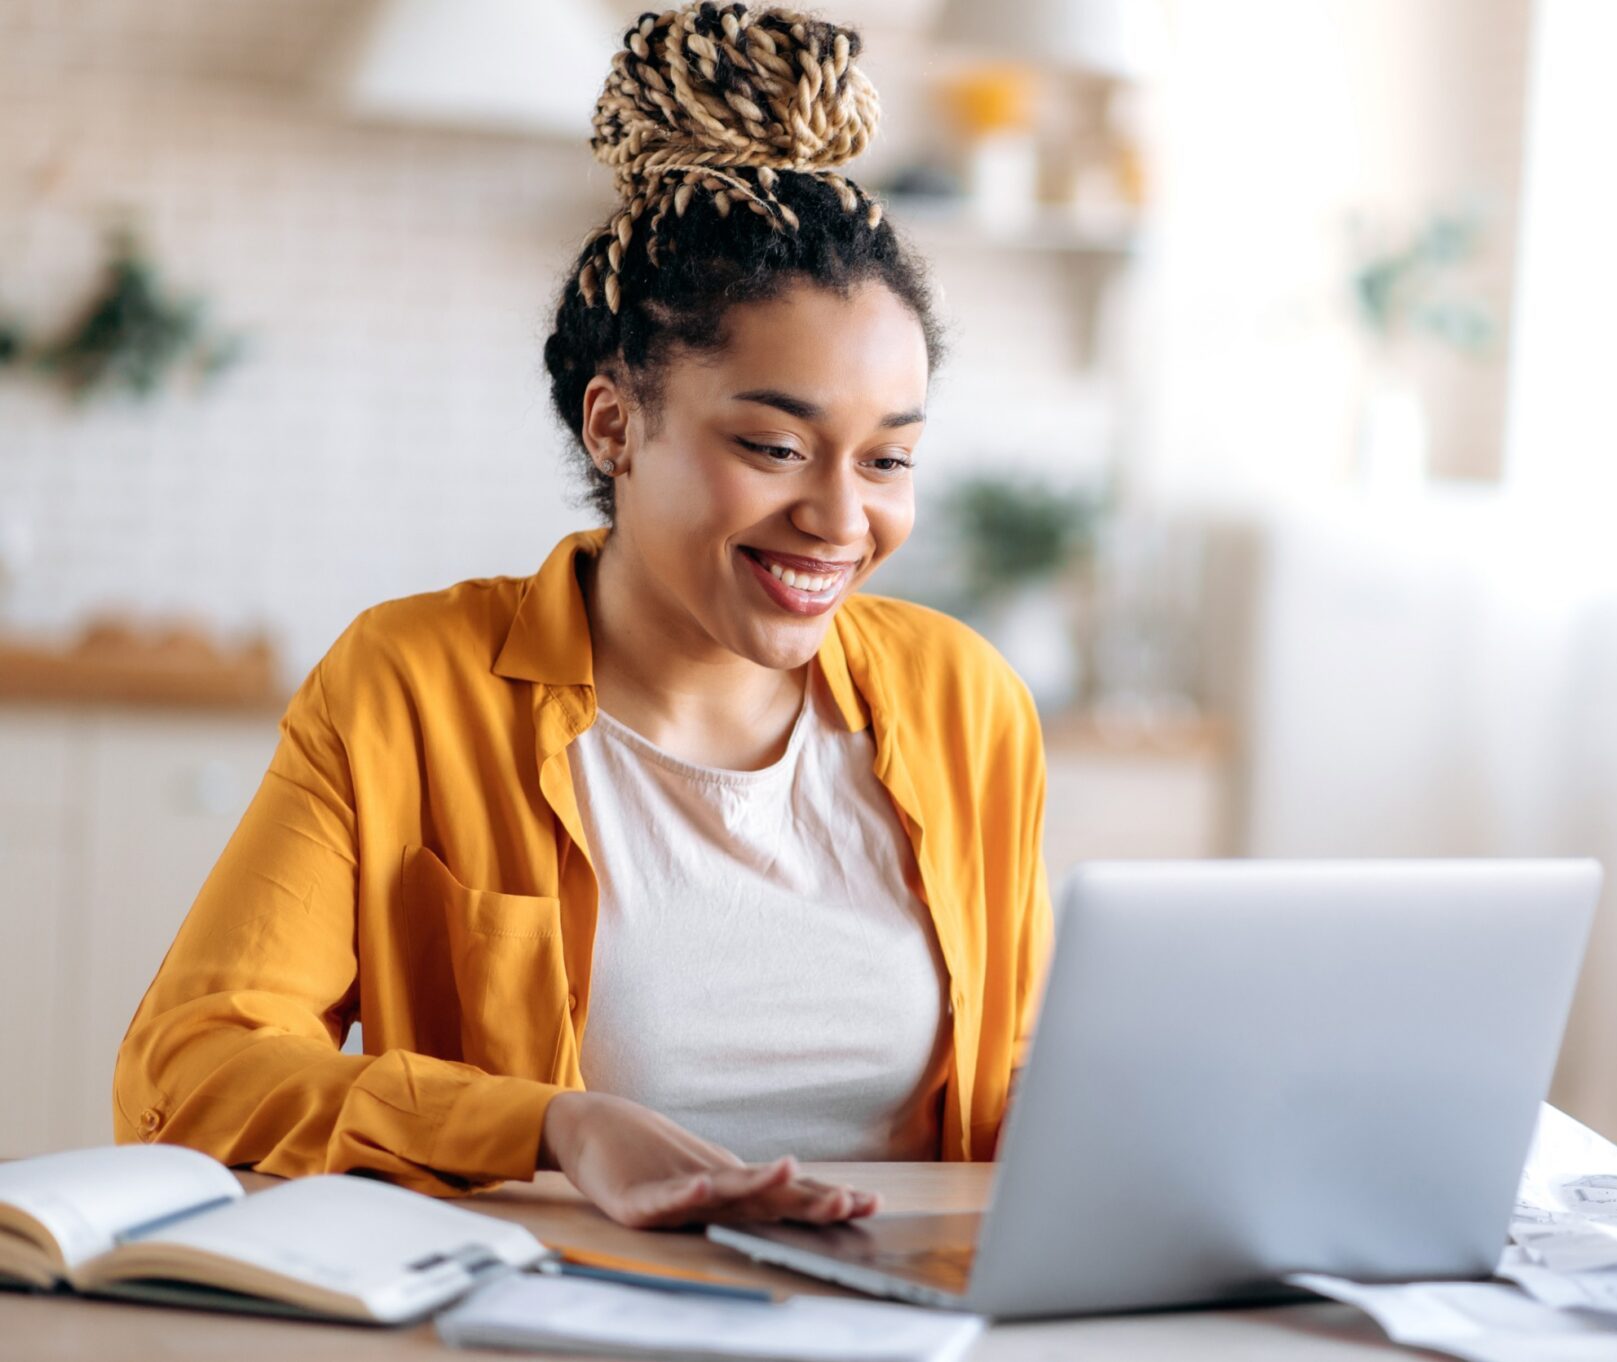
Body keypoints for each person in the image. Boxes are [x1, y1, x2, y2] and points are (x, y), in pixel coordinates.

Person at [113, 3, 1052, 1232]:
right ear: (613, 424)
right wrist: (547, 1127)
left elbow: (1019, 1071)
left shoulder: (961, 699)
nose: (838, 519)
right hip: (568, 1311)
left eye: (886, 462)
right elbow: (189, 1073)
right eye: (774, 445)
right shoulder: (411, 687)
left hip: (909, 1315)